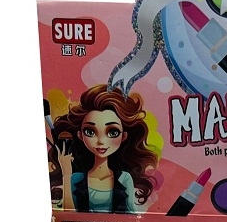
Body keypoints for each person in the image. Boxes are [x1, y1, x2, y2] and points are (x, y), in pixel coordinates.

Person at [53, 84, 161, 213]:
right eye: (90, 131)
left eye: (112, 132)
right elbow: (69, 216)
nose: (101, 141)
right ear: (80, 135)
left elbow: (131, 216)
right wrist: (66, 175)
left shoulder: (124, 178)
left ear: (124, 136)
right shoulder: (76, 179)